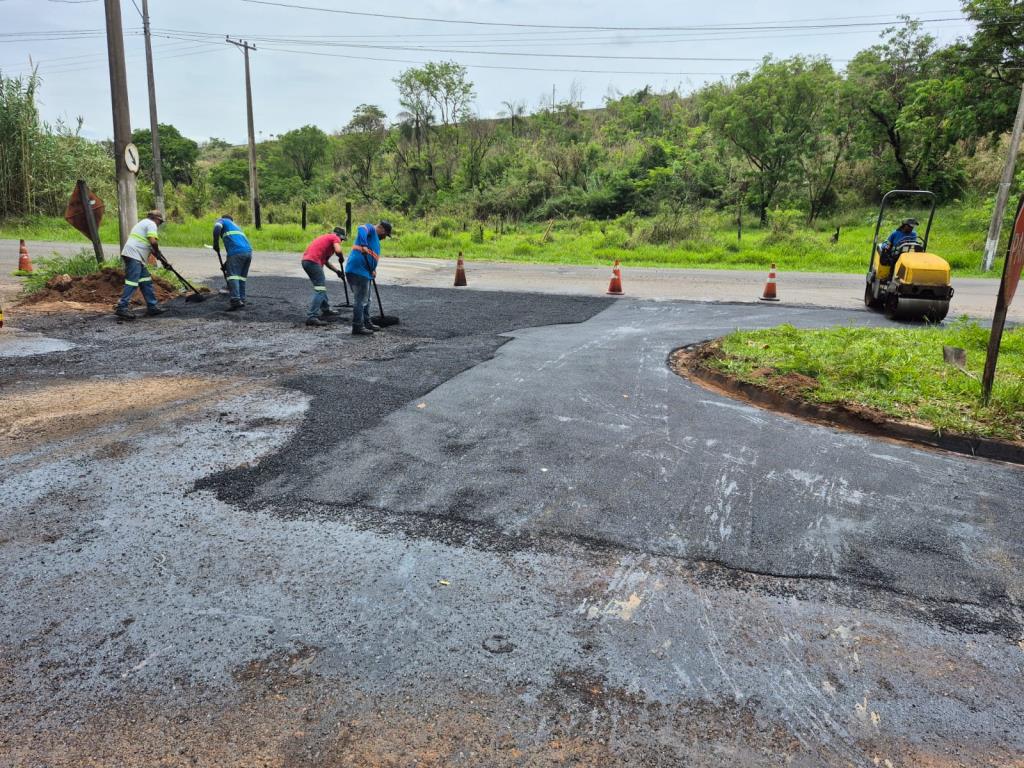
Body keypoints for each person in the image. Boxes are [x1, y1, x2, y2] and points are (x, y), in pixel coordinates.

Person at [114, 209, 167, 320]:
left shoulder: (142, 223)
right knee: (132, 282)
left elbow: (150, 247)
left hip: (135, 256)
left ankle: (152, 306)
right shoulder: (151, 224)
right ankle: (122, 307)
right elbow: (153, 242)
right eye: (160, 222)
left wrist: (162, 260)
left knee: (145, 281)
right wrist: (157, 252)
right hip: (134, 255)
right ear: (156, 219)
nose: (159, 224)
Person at [344, 220, 392, 337]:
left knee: (366, 299)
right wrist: (364, 244)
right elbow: (361, 228)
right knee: (361, 300)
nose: (384, 237)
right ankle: (357, 326)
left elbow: (371, 255)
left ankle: (366, 322)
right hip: (358, 270)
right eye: (385, 234)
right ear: (380, 228)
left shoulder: (374, 239)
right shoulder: (370, 229)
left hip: (365, 272)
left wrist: (373, 269)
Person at [301, 227, 347, 327]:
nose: (341, 242)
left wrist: (337, 272)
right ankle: (312, 317)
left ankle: (326, 309)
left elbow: (326, 261)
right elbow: (338, 251)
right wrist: (341, 257)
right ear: (339, 236)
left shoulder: (327, 241)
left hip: (307, 262)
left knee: (320, 286)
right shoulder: (334, 237)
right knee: (320, 289)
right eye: (342, 239)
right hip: (312, 262)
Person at [212, 214, 253, 310]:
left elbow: (217, 228)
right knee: (241, 278)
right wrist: (227, 264)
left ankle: (235, 300)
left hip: (236, 253)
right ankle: (242, 299)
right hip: (248, 253)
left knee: (233, 276)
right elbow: (238, 248)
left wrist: (215, 244)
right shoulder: (236, 227)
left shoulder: (223, 221)